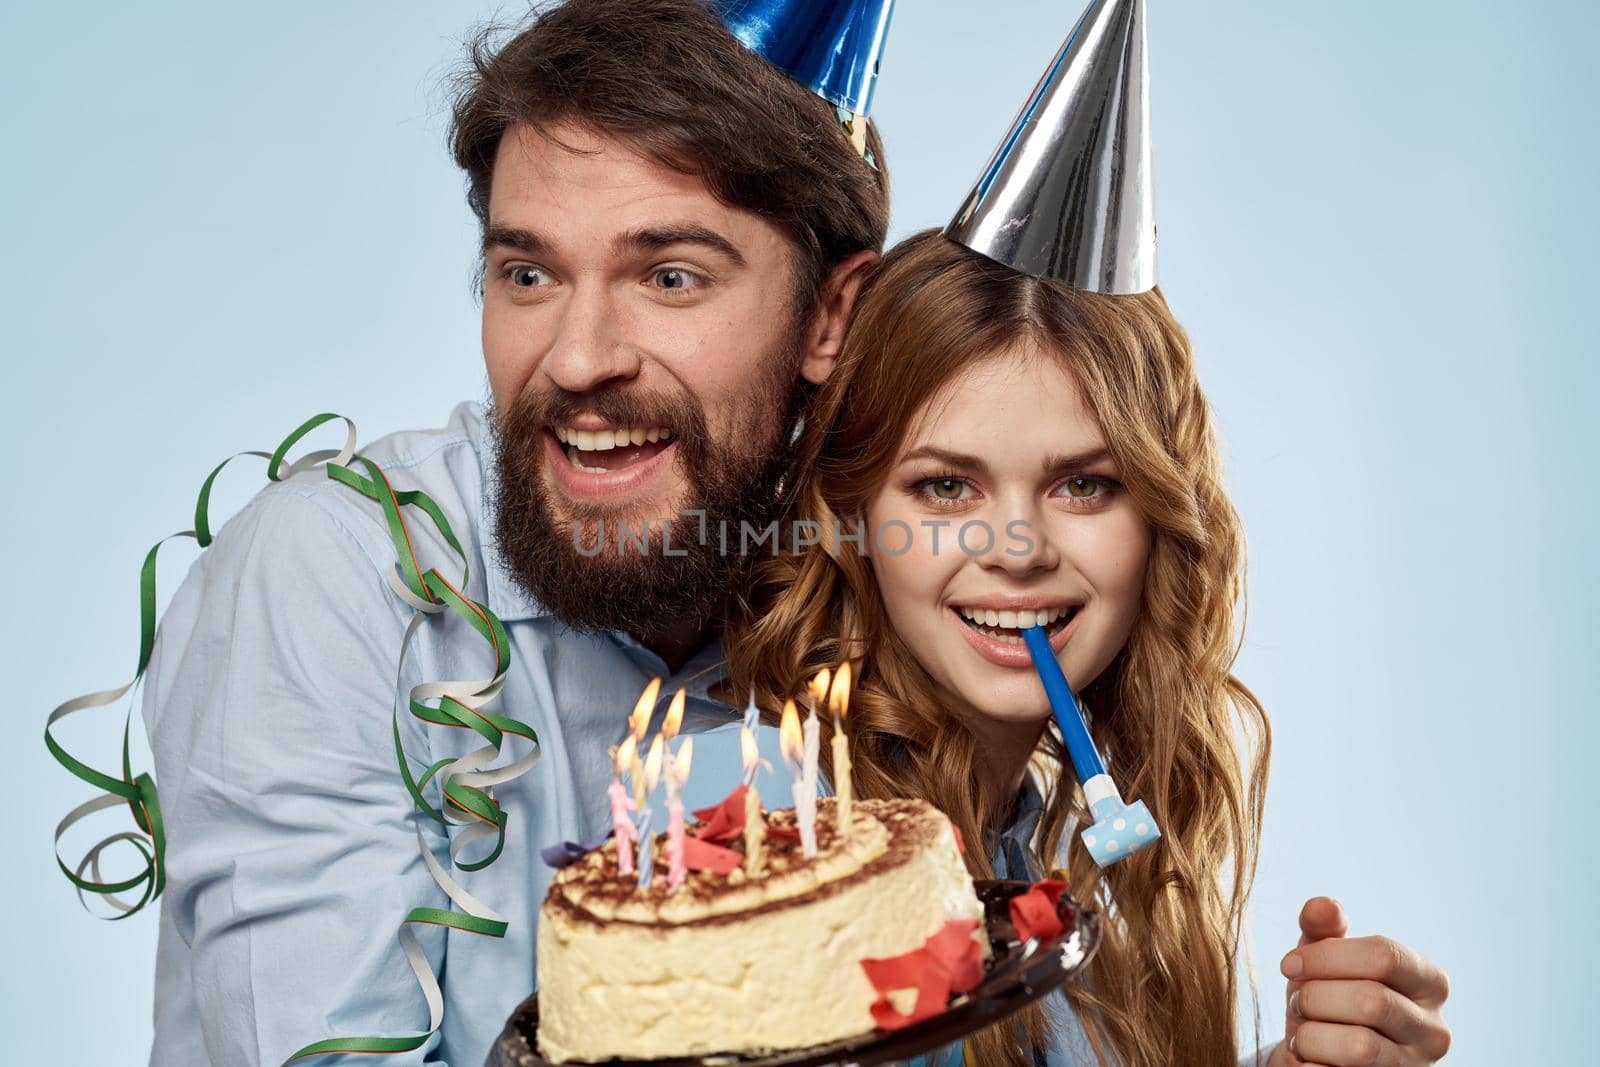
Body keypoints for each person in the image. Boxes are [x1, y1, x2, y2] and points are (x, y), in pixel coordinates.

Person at [130, 1, 891, 1063]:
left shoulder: (896, 587)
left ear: (829, 318)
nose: (578, 359)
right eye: (528, 273)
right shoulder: (332, 580)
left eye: (669, 276)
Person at [723, 4, 1452, 1065]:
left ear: (1158, 522)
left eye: (1081, 484)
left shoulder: (1088, 898)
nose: (1015, 546)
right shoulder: (764, 860)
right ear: (851, 518)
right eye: (943, 488)